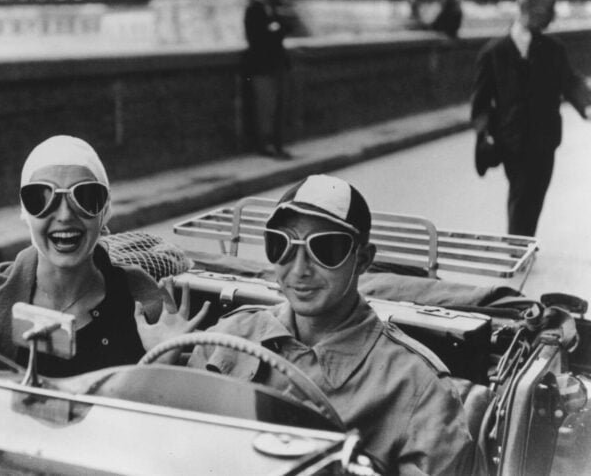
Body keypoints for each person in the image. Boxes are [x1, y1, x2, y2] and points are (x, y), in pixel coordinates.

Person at [137, 175, 474, 475]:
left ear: (363, 259)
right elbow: (170, 450)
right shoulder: (231, 336)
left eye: (325, 249)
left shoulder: (417, 387)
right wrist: (162, 363)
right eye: (281, 245)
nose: (299, 270)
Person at [0, 135, 208, 377]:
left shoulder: (140, 298)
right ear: (25, 213)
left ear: (104, 211)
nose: (65, 215)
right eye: (42, 198)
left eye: (85, 197)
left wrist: (159, 363)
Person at [471, 0, 590, 236]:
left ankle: (521, 245)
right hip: (512, 140)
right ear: (531, 9)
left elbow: (570, 80)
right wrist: (484, 134)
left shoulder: (554, 49)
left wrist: (586, 105)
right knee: (522, 196)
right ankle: (518, 248)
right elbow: (480, 103)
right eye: (549, 10)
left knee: (532, 199)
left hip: (546, 141)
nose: (552, 17)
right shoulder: (494, 52)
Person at [243, 0, 292, 159]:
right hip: (262, 66)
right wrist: (274, 30)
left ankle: (277, 144)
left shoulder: (274, 8)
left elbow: (285, 29)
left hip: (277, 65)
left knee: (279, 107)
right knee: (265, 107)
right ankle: (265, 145)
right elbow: (256, 38)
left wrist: (274, 30)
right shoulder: (253, 10)